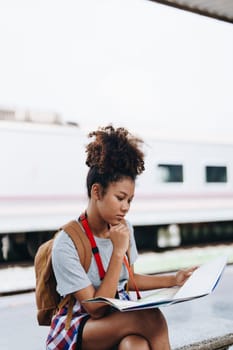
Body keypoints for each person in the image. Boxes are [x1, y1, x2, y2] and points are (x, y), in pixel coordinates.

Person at [46, 125, 196, 350]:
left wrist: (174, 280)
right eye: (120, 198)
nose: (126, 207)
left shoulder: (125, 228)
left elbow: (128, 279)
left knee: (135, 345)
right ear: (97, 192)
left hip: (117, 315)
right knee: (151, 317)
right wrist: (117, 253)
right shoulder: (67, 243)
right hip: (81, 326)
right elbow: (95, 308)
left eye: (130, 200)